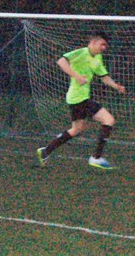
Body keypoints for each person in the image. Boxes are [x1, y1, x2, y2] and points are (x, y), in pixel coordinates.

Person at [35, 31, 127, 170]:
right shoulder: (81, 53)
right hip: (79, 98)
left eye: (105, 45)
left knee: (76, 129)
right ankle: (96, 158)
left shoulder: (98, 57)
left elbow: (103, 76)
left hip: (78, 99)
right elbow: (61, 61)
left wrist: (116, 86)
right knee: (108, 119)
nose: (104, 48)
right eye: (102, 44)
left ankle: (45, 151)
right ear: (94, 42)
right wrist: (77, 76)